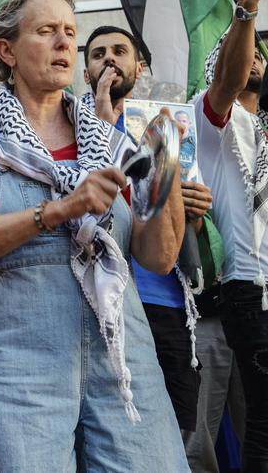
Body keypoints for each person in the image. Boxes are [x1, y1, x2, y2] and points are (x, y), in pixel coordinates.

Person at [0, 0, 187, 469]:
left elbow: (158, 258)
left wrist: (166, 171)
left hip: (122, 361)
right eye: (46, 30)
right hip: (20, 365)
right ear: (7, 50)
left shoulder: (115, 144)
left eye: (70, 31)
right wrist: (58, 211)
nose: (65, 42)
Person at [83, 24, 212, 435]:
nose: (108, 59)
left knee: (178, 430)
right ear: (85, 74)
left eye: (119, 51)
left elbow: (175, 222)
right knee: (120, 429)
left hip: (166, 300)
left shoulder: (163, 126)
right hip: (109, 305)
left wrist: (192, 207)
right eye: (97, 54)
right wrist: (100, 128)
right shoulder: (74, 129)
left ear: (139, 66)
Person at [194, 0, 268, 470]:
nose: (253, 54)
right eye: (240, 51)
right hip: (254, 288)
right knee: (264, 422)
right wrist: (248, 4)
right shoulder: (214, 121)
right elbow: (227, 84)